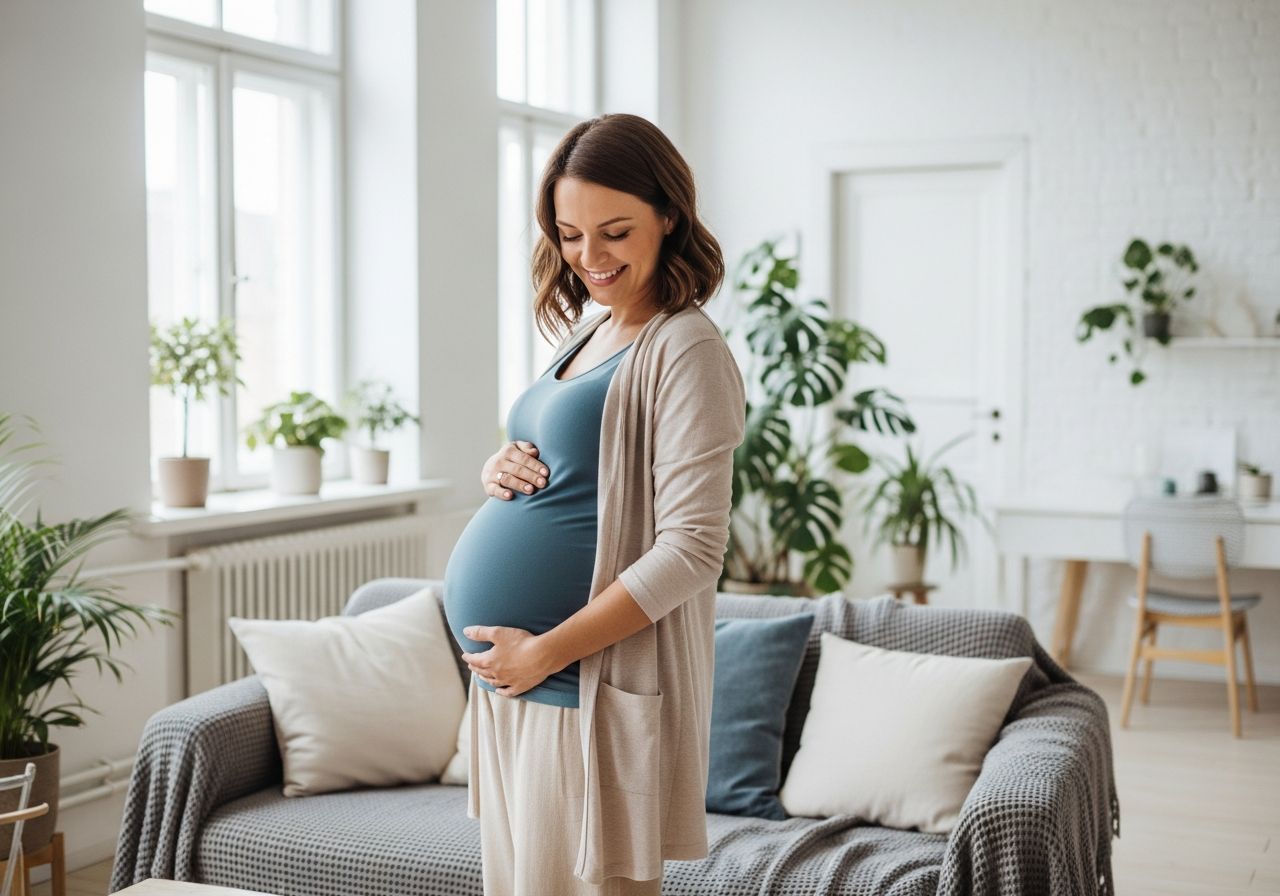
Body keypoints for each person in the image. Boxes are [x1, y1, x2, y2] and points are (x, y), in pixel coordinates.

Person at [442, 112, 747, 895]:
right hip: (516, 685)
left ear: (668, 216)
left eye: (614, 231)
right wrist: (500, 466)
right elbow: (581, 467)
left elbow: (691, 551)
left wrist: (547, 650)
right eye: (570, 235)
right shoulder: (592, 329)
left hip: (578, 686)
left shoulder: (686, 348)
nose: (590, 258)